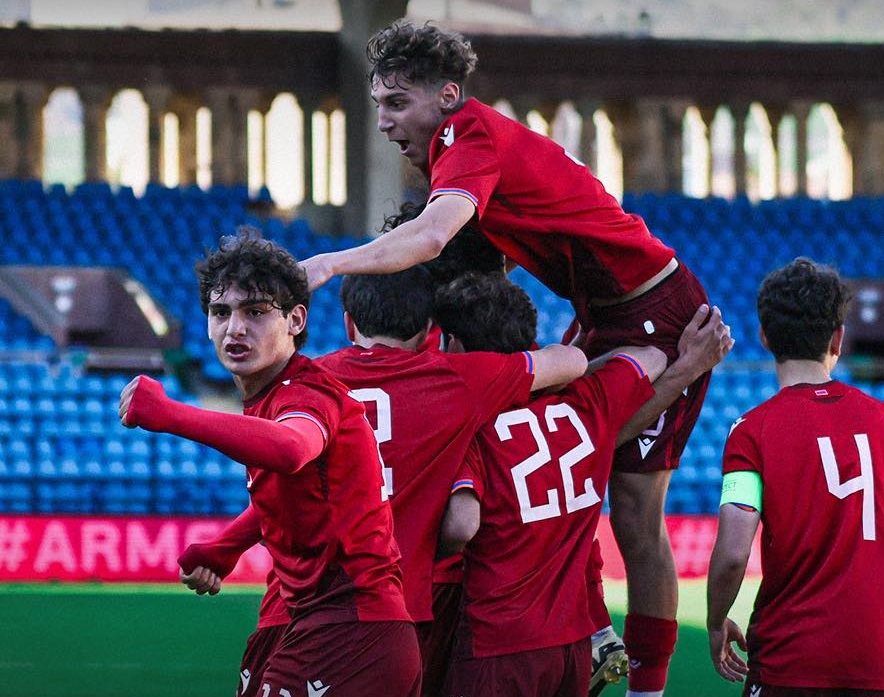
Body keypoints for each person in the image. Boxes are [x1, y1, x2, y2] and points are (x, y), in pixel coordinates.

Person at [300, 20, 726, 695]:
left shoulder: (465, 136)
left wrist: (327, 263)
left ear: (445, 95)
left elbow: (433, 237)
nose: (383, 121)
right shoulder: (459, 148)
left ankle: (646, 684)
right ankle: (590, 627)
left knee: (633, 510)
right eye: (378, 103)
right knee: (555, 442)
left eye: (396, 103)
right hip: (606, 312)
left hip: (657, 311)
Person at [177, 260, 586, 697]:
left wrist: (226, 546)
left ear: (348, 323)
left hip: (295, 605)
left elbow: (283, 488)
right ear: (429, 329)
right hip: (396, 612)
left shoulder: (303, 383)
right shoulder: (457, 380)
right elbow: (571, 361)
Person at [118, 230, 421, 697]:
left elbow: (290, 449)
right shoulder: (270, 397)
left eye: (256, 312)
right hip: (317, 620)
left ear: (296, 319)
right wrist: (225, 547)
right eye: (221, 313)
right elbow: (289, 490)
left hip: (352, 628)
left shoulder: (307, 393)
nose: (235, 329)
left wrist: (170, 414)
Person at [435, 273, 730, 697]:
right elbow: (648, 357)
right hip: (572, 647)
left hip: (496, 645)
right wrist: (687, 367)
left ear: (456, 346)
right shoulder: (583, 408)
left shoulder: (470, 433)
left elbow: (460, 526)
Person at [707, 258, 884, 696]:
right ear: (837, 338)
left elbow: (733, 552)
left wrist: (716, 622)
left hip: (793, 663)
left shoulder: (751, 431)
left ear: (765, 336)